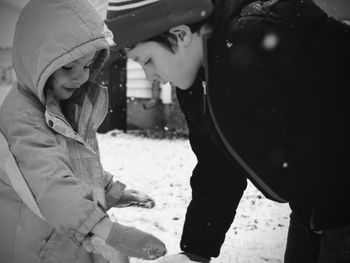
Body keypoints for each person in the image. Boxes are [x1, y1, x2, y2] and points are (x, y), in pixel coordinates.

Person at [105, 0, 350, 262]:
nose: (150, 76)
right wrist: (196, 251)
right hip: (310, 209)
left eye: (147, 61)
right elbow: (217, 169)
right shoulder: (195, 91)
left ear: (180, 35)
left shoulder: (265, 33)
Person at [0, 0, 167, 262]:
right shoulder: (21, 120)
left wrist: (111, 190)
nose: (80, 77)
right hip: (36, 249)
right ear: (35, 59)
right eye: (68, 67)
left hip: (68, 236)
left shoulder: (57, 102)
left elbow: (73, 162)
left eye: (88, 66)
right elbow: (51, 182)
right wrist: (107, 232)